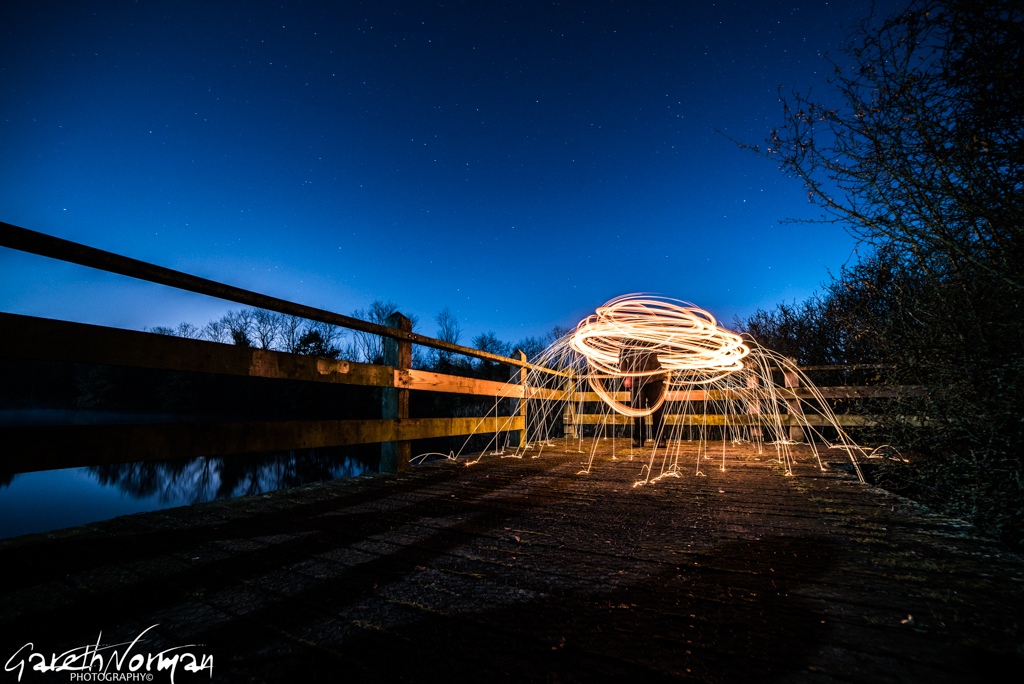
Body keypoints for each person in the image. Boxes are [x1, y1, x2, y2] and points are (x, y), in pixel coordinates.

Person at [619, 340, 668, 447]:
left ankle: (660, 439)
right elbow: (622, 357)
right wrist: (625, 375)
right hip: (636, 380)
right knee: (638, 410)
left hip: (654, 377)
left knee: (657, 410)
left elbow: (664, 349)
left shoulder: (653, 333)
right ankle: (638, 438)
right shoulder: (628, 338)